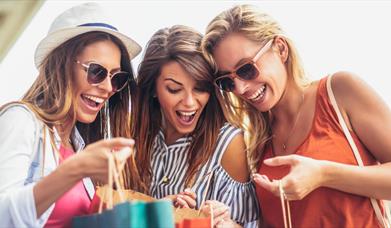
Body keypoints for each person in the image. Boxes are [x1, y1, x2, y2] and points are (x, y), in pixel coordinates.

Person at [201, 4, 391, 227]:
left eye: (246, 69)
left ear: (281, 49)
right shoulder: (257, 144)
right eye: (228, 81)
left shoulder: (339, 91)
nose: (241, 88)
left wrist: (324, 174)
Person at [0, 3, 143, 227]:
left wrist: (148, 212)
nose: (108, 88)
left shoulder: (79, 146)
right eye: (97, 72)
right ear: (61, 66)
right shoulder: (20, 120)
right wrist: (75, 169)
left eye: (116, 78)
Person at [131, 25, 259, 227]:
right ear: (153, 89)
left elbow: (251, 223)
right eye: (174, 89)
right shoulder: (137, 137)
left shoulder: (228, 144)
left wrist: (226, 224)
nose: (190, 102)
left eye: (200, 88)